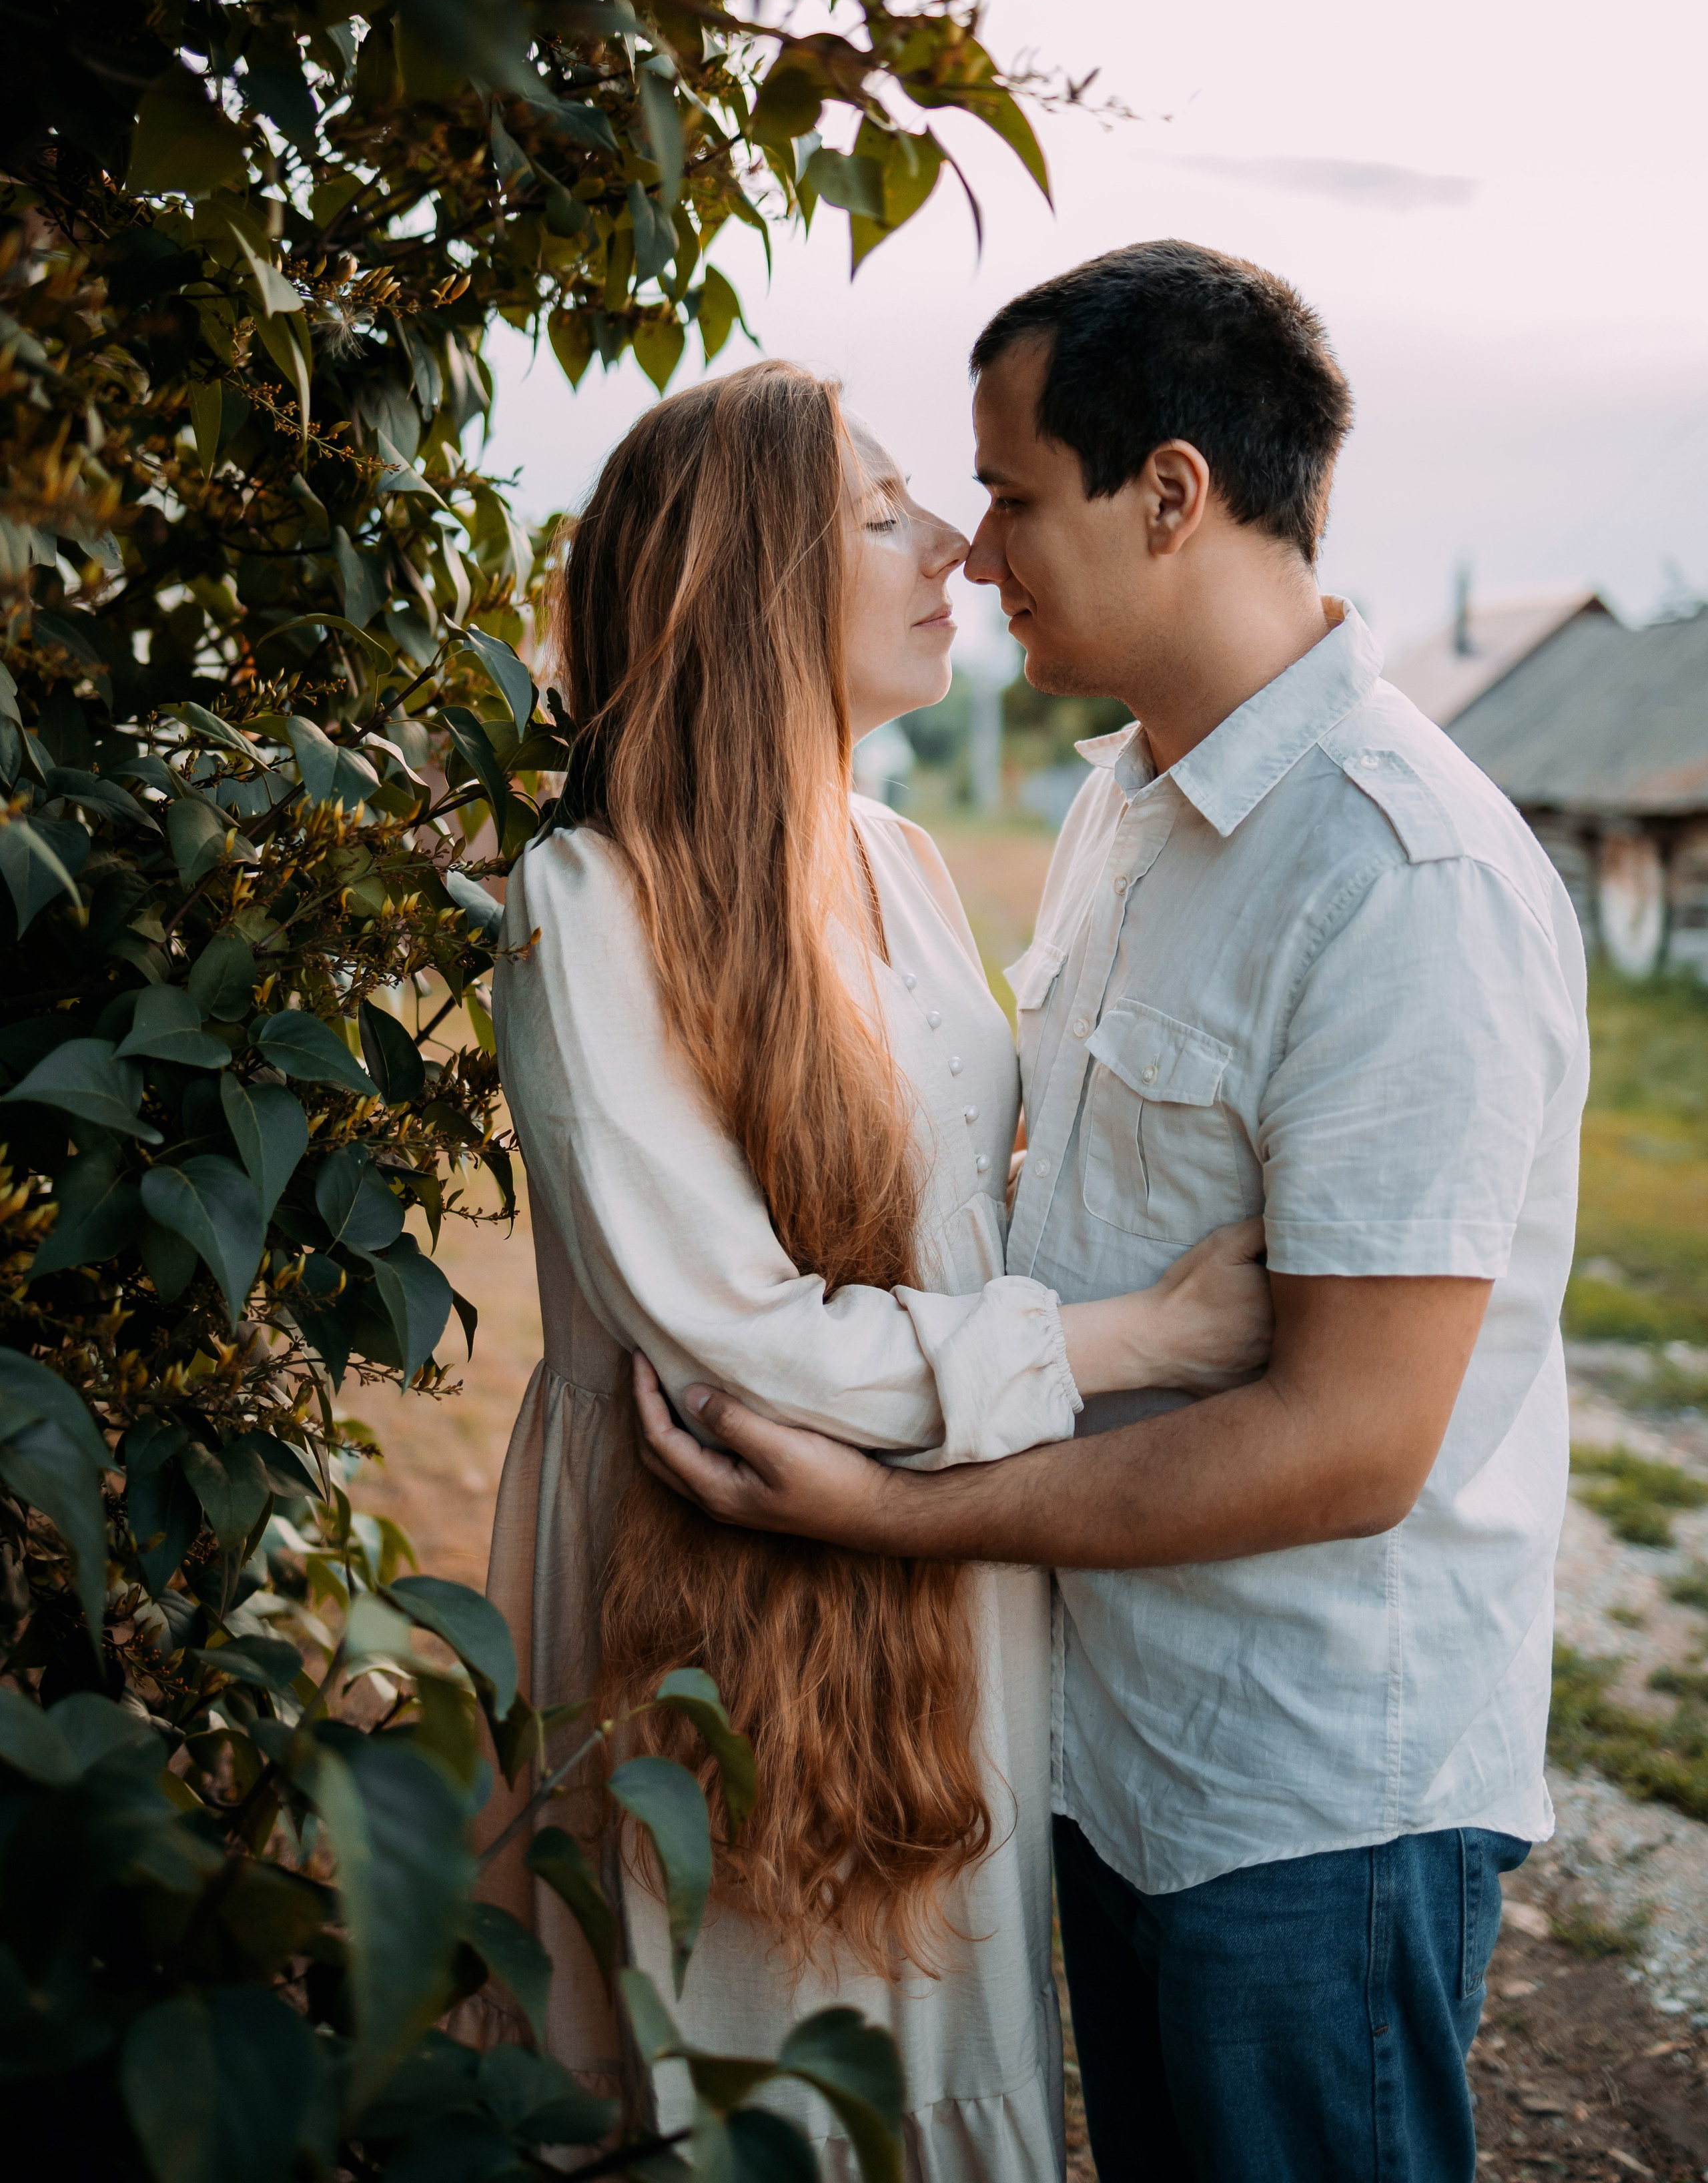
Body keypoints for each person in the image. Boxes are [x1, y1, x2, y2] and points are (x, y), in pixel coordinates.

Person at [634, 243, 1593, 2183]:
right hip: (1113, 1752)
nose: (974, 555)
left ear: (1170, 493)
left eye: (1007, 493)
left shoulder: (1402, 881)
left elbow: (1345, 1447)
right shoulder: (1126, 813)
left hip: (1312, 1806)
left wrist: (895, 1520)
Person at [470, 358, 1270, 2183]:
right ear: (750, 580)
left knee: (941, 2046)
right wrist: (1137, 1333)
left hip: (936, 1559)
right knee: (757, 2069)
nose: (960, 551)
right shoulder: (588, 900)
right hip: (714, 1574)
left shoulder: (903, 863)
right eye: (888, 511)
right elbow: (731, 1336)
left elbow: (940, 1206)